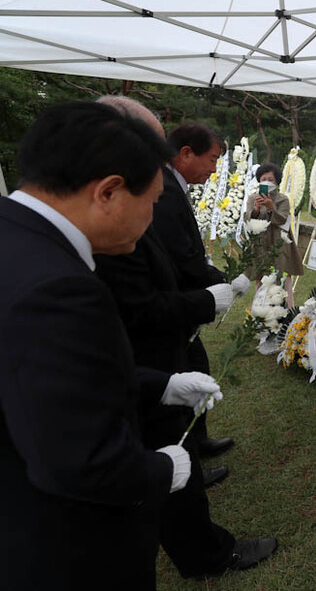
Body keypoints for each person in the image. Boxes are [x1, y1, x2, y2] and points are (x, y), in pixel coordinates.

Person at [0, 101, 221, 589]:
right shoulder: (56, 286)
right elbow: (81, 461)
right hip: (65, 551)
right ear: (109, 193)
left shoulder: (15, 236)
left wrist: (160, 385)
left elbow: (45, 382)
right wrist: (163, 467)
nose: (150, 223)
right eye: (151, 203)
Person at [92, 96, 277, 579]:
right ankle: (208, 556)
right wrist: (204, 301)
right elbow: (138, 299)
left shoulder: (123, 202)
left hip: (148, 362)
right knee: (170, 461)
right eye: (153, 149)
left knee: (180, 448)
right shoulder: (109, 219)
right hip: (146, 353)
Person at [152, 123, 247, 464]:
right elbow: (180, 253)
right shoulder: (163, 189)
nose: (214, 168)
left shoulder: (174, 186)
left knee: (198, 366)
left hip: (183, 304)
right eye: (212, 159)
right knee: (186, 375)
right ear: (186, 153)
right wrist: (216, 280)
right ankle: (187, 456)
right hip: (174, 304)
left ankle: (198, 442)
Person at [247, 162, 304, 303]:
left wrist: (271, 207)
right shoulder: (253, 198)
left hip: (279, 241)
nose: (266, 182)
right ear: (259, 181)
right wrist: (256, 209)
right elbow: (247, 218)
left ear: (277, 181)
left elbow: (282, 218)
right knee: (261, 275)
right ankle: (260, 311)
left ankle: (287, 310)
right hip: (260, 242)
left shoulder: (282, 199)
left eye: (270, 179)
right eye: (263, 179)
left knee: (283, 276)